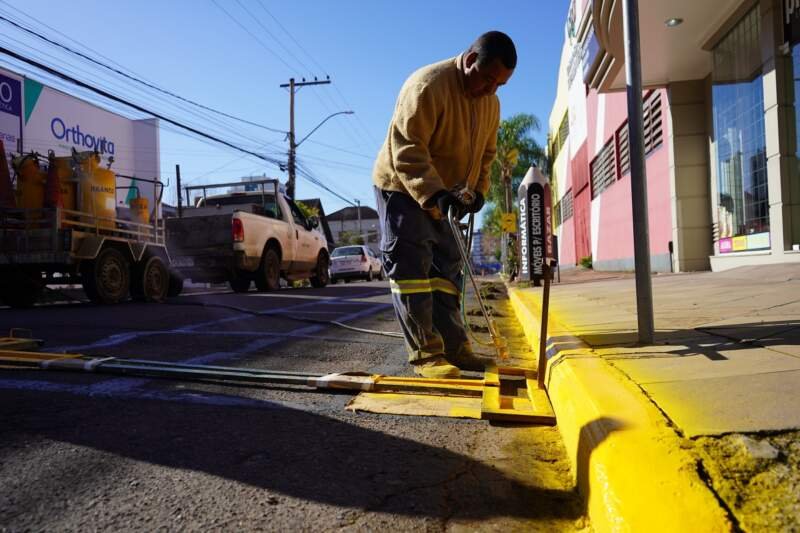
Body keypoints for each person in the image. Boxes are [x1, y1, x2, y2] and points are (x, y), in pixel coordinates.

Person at [372, 31, 516, 378]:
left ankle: (455, 348)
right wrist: (434, 194)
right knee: (412, 270)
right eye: (487, 79)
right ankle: (426, 355)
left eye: (500, 85)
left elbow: (487, 154)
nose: (491, 90)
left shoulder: (491, 103)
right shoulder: (427, 86)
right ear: (470, 60)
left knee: (447, 273)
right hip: (404, 188)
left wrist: (477, 191)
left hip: (450, 195)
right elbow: (407, 150)